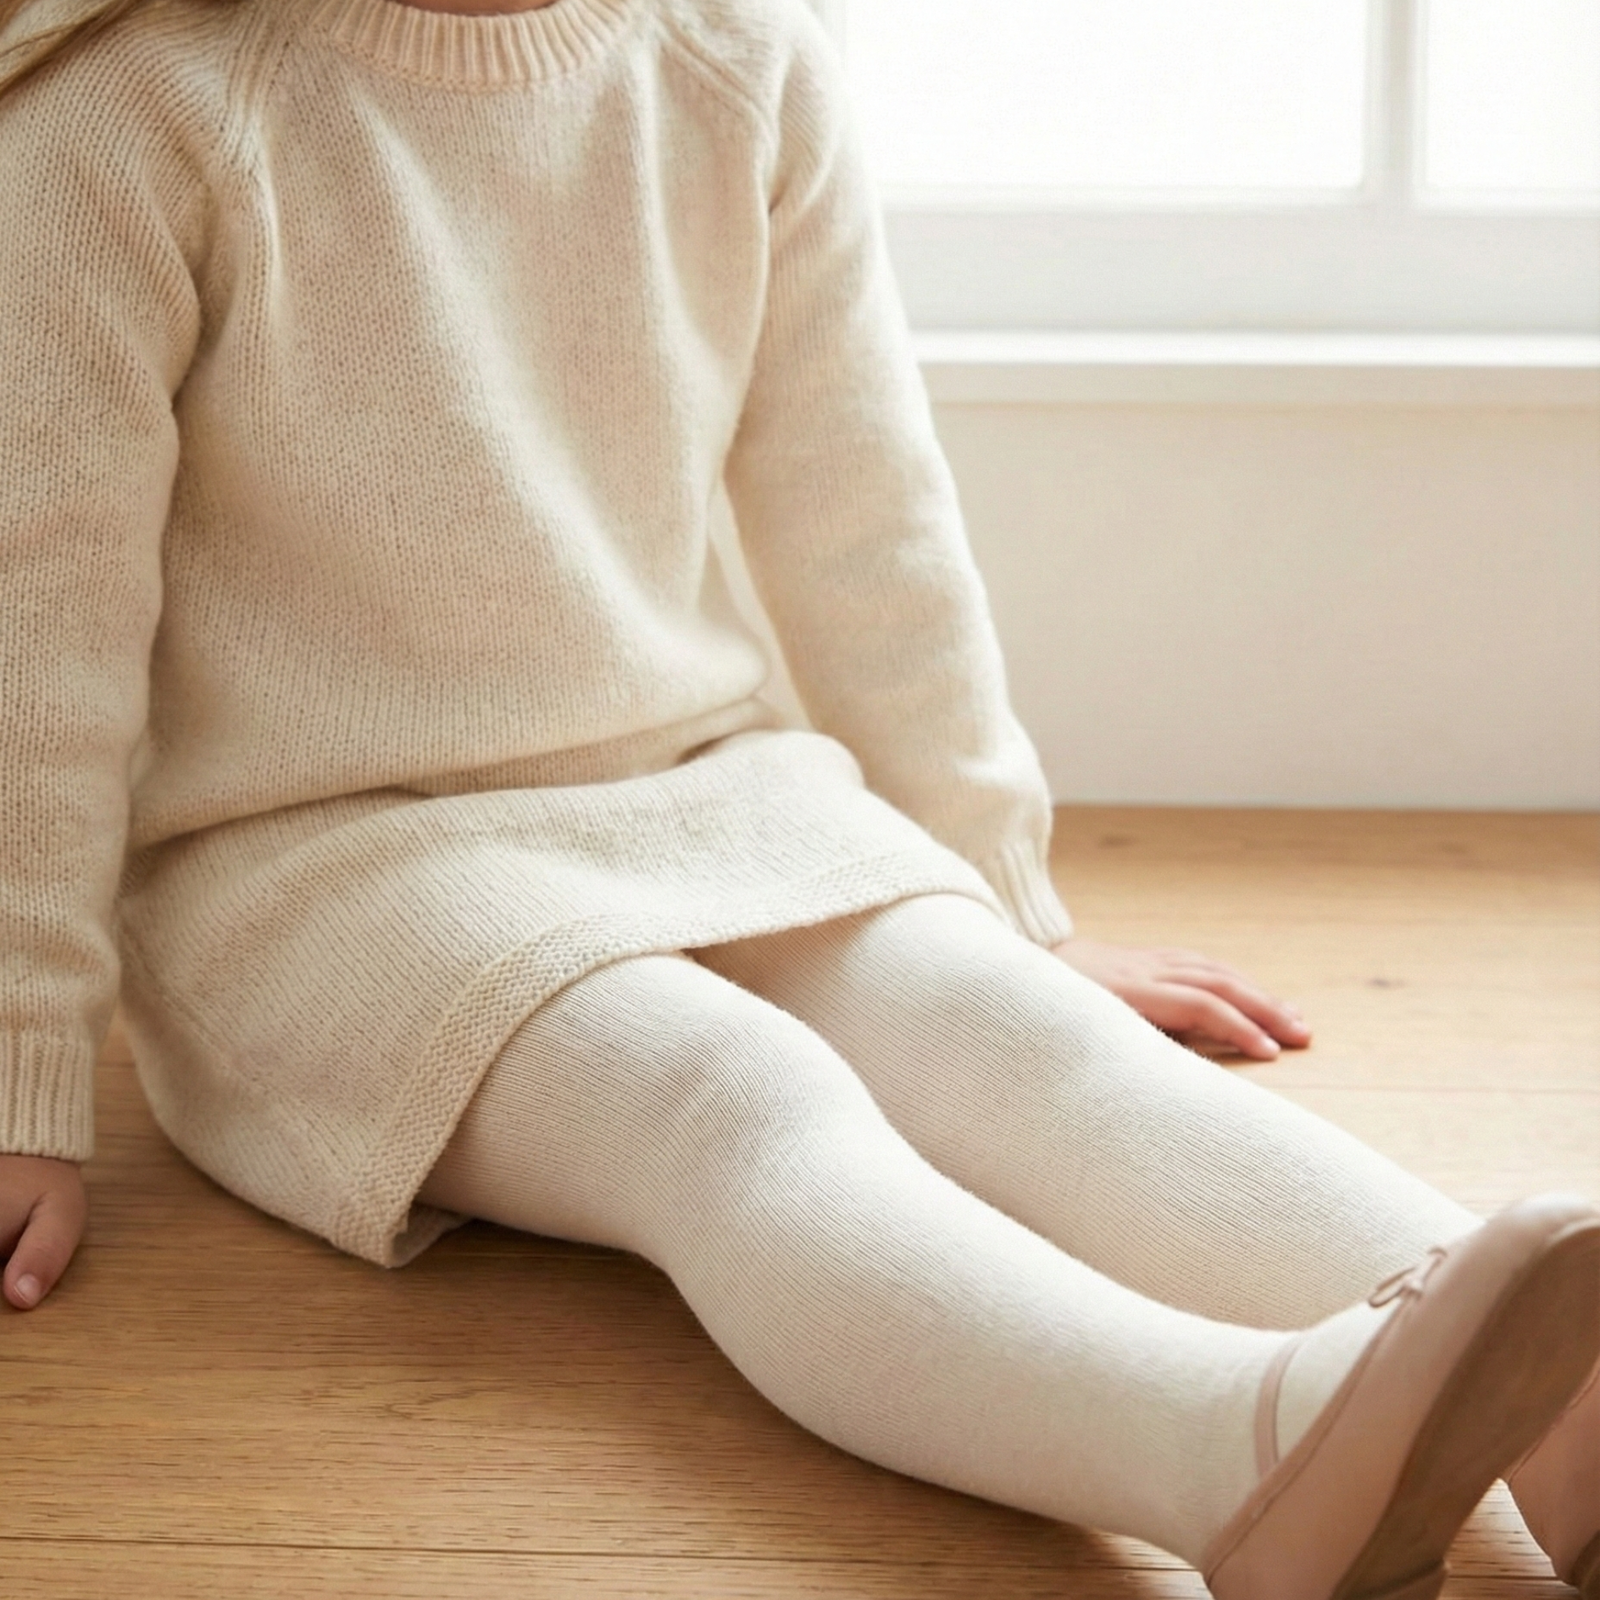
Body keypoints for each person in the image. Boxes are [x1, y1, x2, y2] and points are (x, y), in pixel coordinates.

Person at [0, 0, 1595, 1593]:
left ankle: (1572, 1410)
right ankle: (1224, 1455)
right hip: (303, 867)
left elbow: (864, 515)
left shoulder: (738, 56)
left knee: (1014, 1032)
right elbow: (35, 637)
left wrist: (1002, 892)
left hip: (697, 785)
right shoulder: (121, 121)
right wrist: (20, 1072)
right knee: (723, 1095)